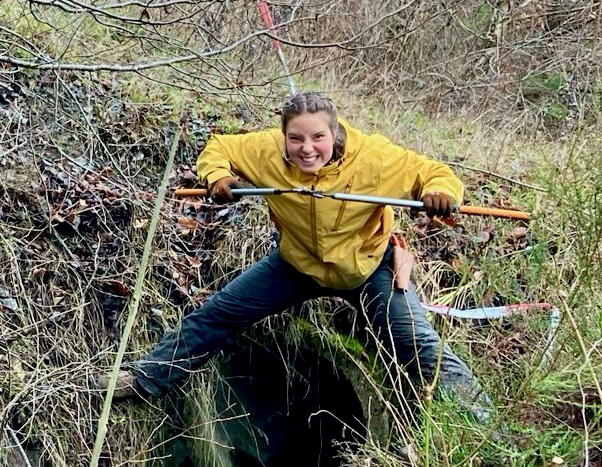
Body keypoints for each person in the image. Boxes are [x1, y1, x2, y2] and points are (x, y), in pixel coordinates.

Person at [115, 91, 491, 422]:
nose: (307, 148)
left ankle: (483, 423)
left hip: (366, 266)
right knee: (217, 314)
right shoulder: (266, 151)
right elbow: (220, 148)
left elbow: (434, 173)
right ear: (284, 137)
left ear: (336, 132)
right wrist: (218, 178)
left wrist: (439, 191)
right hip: (297, 264)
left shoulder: (374, 158)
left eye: (318, 138)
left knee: (417, 343)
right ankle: (144, 379)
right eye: (295, 139)